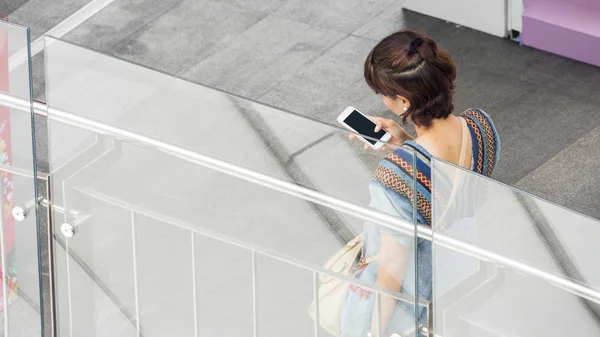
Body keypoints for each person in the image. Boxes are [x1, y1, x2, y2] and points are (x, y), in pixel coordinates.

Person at [340, 30, 501, 336]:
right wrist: (407, 145)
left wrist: (374, 330)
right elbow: (446, 174)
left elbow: (391, 270)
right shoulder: (482, 128)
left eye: (383, 93)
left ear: (403, 101)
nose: (383, 100)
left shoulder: (392, 178)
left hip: (417, 301)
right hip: (459, 275)